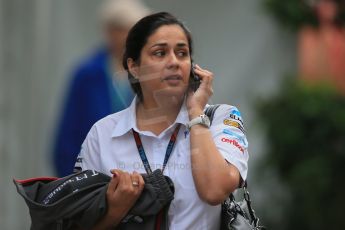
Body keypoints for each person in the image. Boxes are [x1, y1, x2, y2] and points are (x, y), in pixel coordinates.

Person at [75, 12, 249, 229]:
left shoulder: (221, 118)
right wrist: (116, 209)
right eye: (160, 53)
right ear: (134, 67)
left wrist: (195, 114)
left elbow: (214, 191)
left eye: (182, 53)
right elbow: (79, 223)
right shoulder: (102, 133)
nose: (174, 62)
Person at [53, 0, 150, 177]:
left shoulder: (150, 73)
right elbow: (67, 136)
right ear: (109, 31)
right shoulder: (87, 74)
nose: (129, 36)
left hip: (139, 177)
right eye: (122, 29)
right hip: (92, 177)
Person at [299, 0, 345, 92]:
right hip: (319, 90)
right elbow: (307, 67)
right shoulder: (309, 36)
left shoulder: (341, 34)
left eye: (331, 4)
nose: (328, 8)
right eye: (324, 4)